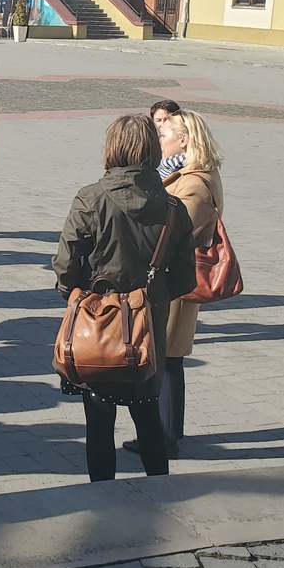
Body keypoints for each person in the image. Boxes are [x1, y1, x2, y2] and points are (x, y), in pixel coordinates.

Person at [53, 114, 196, 481]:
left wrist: (76, 295)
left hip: (97, 324)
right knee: (148, 418)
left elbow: (65, 264)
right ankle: (161, 495)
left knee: (99, 422)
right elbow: (185, 279)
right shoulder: (173, 208)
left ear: (112, 148)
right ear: (152, 150)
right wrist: (153, 294)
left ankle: (103, 498)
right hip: (147, 328)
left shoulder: (91, 198)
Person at [142, 109, 225, 460]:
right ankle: (166, 434)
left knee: (168, 359)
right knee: (167, 359)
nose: (159, 140)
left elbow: (175, 233)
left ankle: (165, 439)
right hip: (171, 279)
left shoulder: (194, 182)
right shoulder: (179, 172)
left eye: (165, 135)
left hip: (175, 283)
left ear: (185, 140)